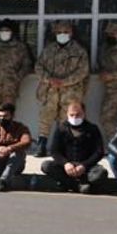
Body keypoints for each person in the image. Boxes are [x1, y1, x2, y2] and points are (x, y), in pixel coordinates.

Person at [34, 21, 89, 156]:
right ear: (54, 33)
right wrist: (49, 79)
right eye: (59, 32)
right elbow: (38, 67)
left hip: (70, 92)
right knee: (46, 117)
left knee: (67, 119)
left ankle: (64, 147)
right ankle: (41, 145)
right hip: (50, 90)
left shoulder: (79, 51)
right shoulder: (48, 50)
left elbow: (83, 71)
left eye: (65, 32)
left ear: (71, 33)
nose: (62, 35)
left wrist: (64, 82)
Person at [39, 101, 107, 194]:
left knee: (101, 172)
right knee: (46, 165)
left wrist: (84, 165)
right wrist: (65, 163)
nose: (74, 117)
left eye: (78, 115)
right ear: (67, 114)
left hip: (85, 167)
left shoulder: (92, 129)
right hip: (67, 167)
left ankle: (74, 183)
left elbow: (99, 151)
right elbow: (54, 151)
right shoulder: (61, 129)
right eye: (72, 115)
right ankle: (77, 185)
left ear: (84, 114)